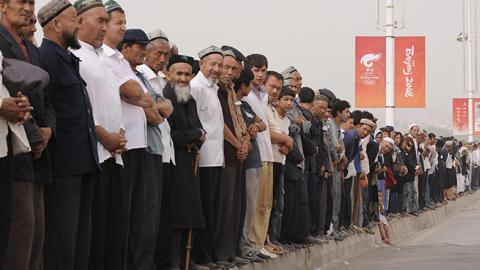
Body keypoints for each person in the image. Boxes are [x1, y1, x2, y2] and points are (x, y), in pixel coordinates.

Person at [39, 1, 103, 270]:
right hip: (63, 163)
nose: (78, 25)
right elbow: (47, 108)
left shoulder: (68, 59)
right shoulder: (46, 58)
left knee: (80, 235)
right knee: (62, 237)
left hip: (83, 159)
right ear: (55, 24)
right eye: (73, 20)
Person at [0, 0, 55, 269]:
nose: (28, 8)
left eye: (31, 2)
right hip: (12, 147)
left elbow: (47, 98)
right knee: (20, 229)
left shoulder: (30, 48)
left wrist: (48, 130)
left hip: (37, 152)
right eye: (21, 1)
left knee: (36, 233)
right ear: (2, 5)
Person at [136, 28, 176, 269]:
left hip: (164, 152)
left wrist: (161, 108)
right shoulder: (140, 75)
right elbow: (155, 111)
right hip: (148, 149)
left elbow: (167, 109)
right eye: (158, 53)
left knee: (161, 215)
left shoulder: (161, 80)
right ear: (147, 52)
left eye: (166, 55)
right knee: (146, 215)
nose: (163, 59)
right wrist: (160, 108)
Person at [162, 54, 207, 269]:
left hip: (189, 160)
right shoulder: (166, 96)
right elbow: (171, 134)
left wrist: (196, 135)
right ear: (169, 74)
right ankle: (172, 262)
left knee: (189, 212)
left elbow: (199, 130)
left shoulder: (190, 99)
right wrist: (195, 134)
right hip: (174, 161)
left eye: (187, 74)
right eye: (178, 73)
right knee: (175, 213)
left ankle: (185, 261)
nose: (183, 78)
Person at [190, 46, 227, 268]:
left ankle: (209, 254)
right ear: (201, 63)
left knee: (213, 209)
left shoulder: (213, 88)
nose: (216, 69)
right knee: (202, 209)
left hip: (216, 158)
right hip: (202, 159)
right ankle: (200, 256)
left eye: (219, 65)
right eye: (212, 64)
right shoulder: (196, 87)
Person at [216, 50, 250, 266]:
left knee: (237, 208)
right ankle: (220, 254)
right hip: (224, 154)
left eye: (233, 69)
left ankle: (230, 252)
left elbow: (238, 121)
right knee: (224, 208)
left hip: (238, 154)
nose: (228, 72)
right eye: (225, 67)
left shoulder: (229, 91)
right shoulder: (212, 91)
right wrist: (238, 144)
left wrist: (245, 141)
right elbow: (219, 124)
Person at [243, 54, 277, 259]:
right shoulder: (246, 94)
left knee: (265, 202)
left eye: (263, 70)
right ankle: (254, 243)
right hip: (255, 152)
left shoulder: (263, 93)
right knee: (254, 202)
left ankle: (261, 241)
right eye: (256, 70)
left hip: (267, 152)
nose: (260, 74)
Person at [234, 67, 267, 262]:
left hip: (254, 160)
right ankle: (244, 247)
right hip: (243, 161)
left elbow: (261, 124)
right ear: (244, 85)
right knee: (245, 207)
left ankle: (249, 245)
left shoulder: (245, 105)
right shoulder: (234, 105)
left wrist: (255, 125)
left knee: (252, 206)